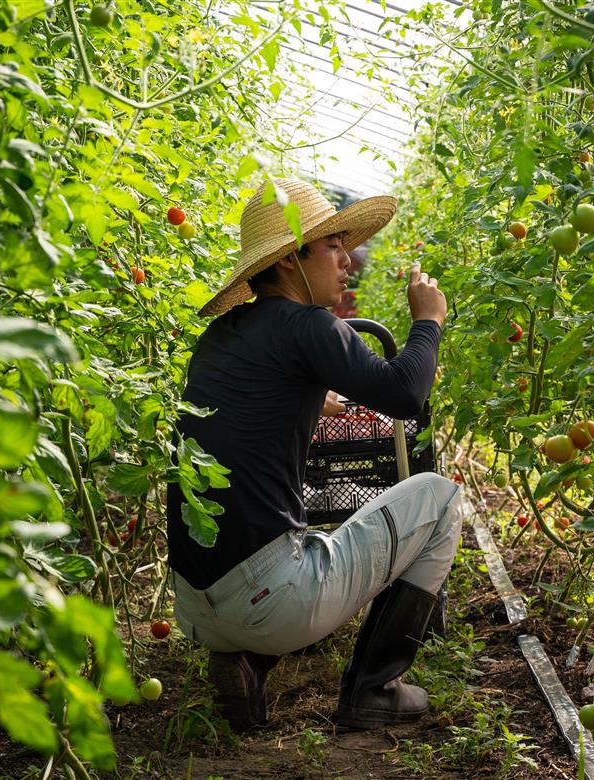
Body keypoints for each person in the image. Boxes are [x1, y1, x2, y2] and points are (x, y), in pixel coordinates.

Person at [167, 178, 464, 731]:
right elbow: (404, 394)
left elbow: (246, 415)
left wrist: (306, 405)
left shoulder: (221, 335)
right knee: (442, 499)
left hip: (193, 606)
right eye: (331, 245)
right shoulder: (307, 325)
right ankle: (373, 690)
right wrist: (428, 320)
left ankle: (245, 660)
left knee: (281, 543)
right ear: (288, 262)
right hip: (270, 599)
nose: (347, 259)